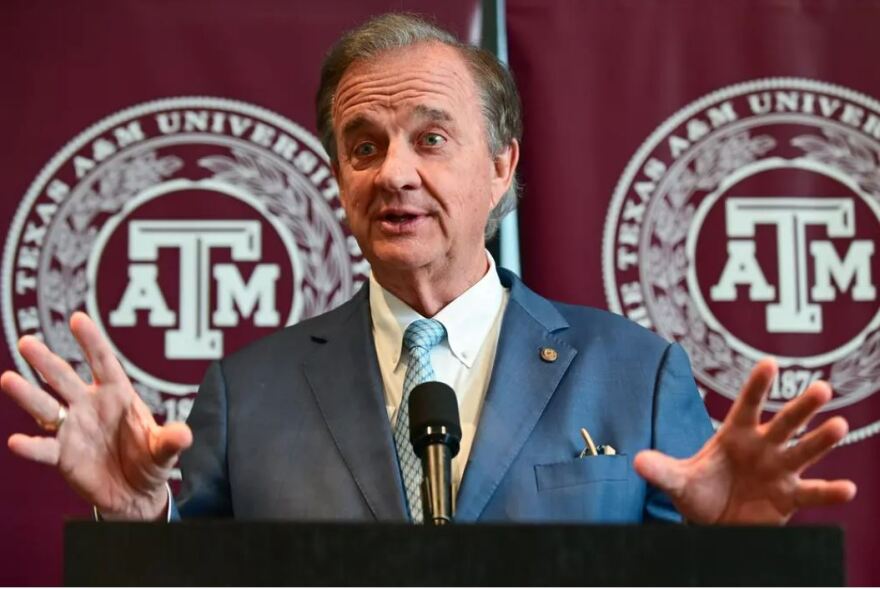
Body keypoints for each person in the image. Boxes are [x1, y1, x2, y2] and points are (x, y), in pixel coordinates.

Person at [1, 13, 856, 524]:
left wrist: (740, 554)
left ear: (503, 165)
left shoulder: (634, 374)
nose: (393, 173)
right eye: (363, 146)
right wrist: (139, 521)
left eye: (431, 138)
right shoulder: (245, 392)